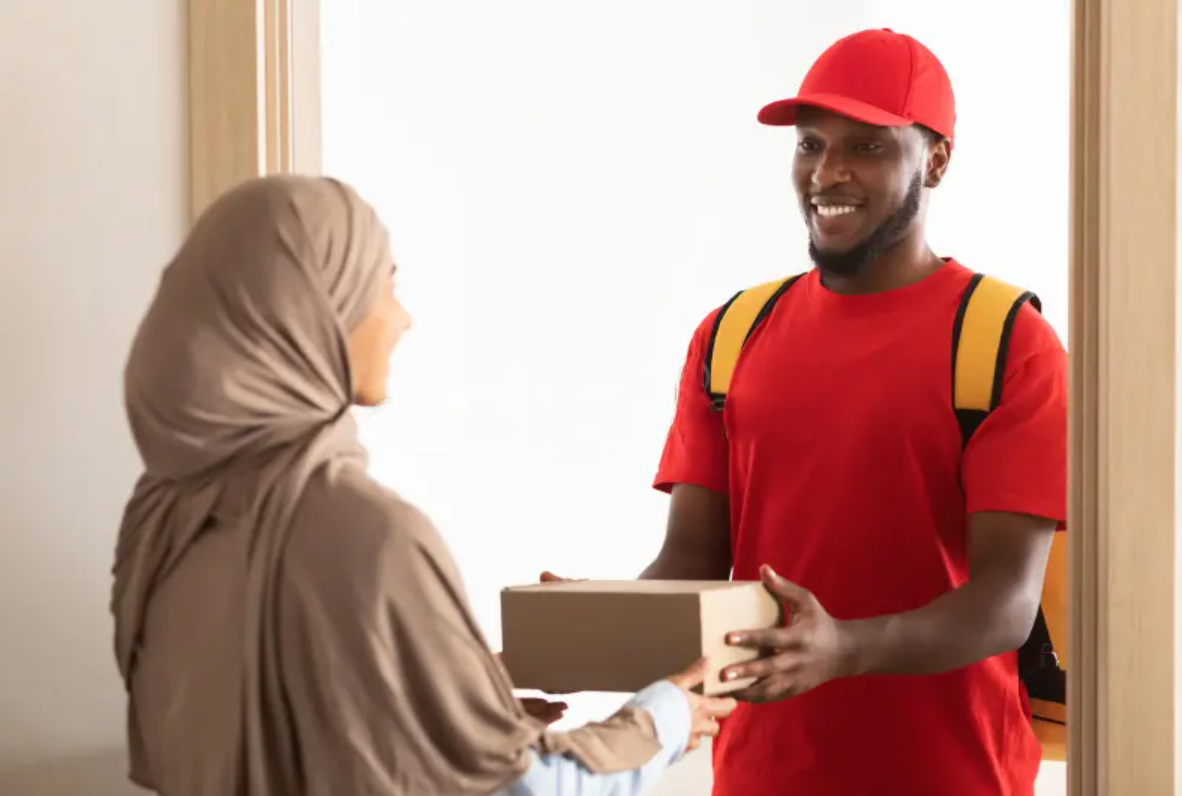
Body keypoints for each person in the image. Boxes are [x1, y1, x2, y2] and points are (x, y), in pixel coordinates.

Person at [544, 28, 1068, 796]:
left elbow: (1002, 605)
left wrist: (844, 648)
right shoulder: (730, 336)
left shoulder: (1001, 341)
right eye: (811, 145)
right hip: (760, 775)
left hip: (954, 777)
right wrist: (586, 625)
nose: (828, 172)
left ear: (935, 160)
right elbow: (693, 563)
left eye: (865, 146)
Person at [109, 174, 736, 796]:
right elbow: (528, 790)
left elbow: (293, 712)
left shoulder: (160, 522)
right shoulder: (363, 532)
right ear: (315, 304)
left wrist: (460, 700)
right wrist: (665, 720)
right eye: (384, 284)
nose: (401, 318)